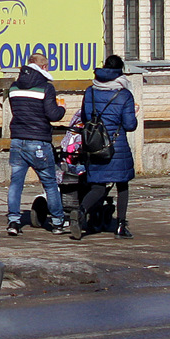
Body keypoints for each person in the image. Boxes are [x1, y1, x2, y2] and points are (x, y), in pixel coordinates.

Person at [70, 55, 139, 240]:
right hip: (116, 147)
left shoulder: (91, 91)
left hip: (94, 145)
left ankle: (81, 211)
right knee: (122, 184)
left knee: (98, 186)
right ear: (120, 71)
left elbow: (85, 118)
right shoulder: (124, 94)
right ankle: (121, 226)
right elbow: (130, 125)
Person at [6, 52, 68, 236]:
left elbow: (17, 110)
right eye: (47, 66)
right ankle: (57, 222)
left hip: (17, 140)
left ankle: (13, 222)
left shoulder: (14, 87)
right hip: (39, 141)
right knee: (49, 182)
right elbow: (53, 115)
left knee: (16, 183)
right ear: (43, 67)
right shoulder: (45, 88)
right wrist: (62, 107)